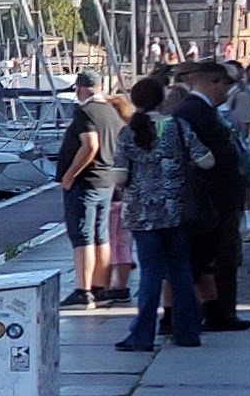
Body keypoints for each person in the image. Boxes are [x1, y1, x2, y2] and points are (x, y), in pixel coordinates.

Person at [114, 68, 205, 352]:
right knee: (180, 270)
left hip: (142, 213)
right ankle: (187, 331)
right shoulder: (178, 127)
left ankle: (142, 336)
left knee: (150, 273)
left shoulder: (128, 133)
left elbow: (119, 176)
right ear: (162, 98)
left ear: (135, 101)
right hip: (176, 210)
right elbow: (206, 160)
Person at [173, 60, 250, 332]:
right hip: (212, 200)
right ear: (212, 82)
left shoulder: (200, 111)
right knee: (216, 259)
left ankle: (220, 311)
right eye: (225, 84)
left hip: (218, 199)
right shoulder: (193, 112)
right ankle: (218, 312)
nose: (227, 90)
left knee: (218, 258)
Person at [52, 71, 127, 306]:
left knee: (83, 236)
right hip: (106, 180)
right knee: (101, 236)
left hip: (86, 182)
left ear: (81, 88)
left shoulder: (85, 112)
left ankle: (83, 291)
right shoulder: (111, 111)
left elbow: (90, 145)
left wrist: (69, 175)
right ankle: (100, 287)